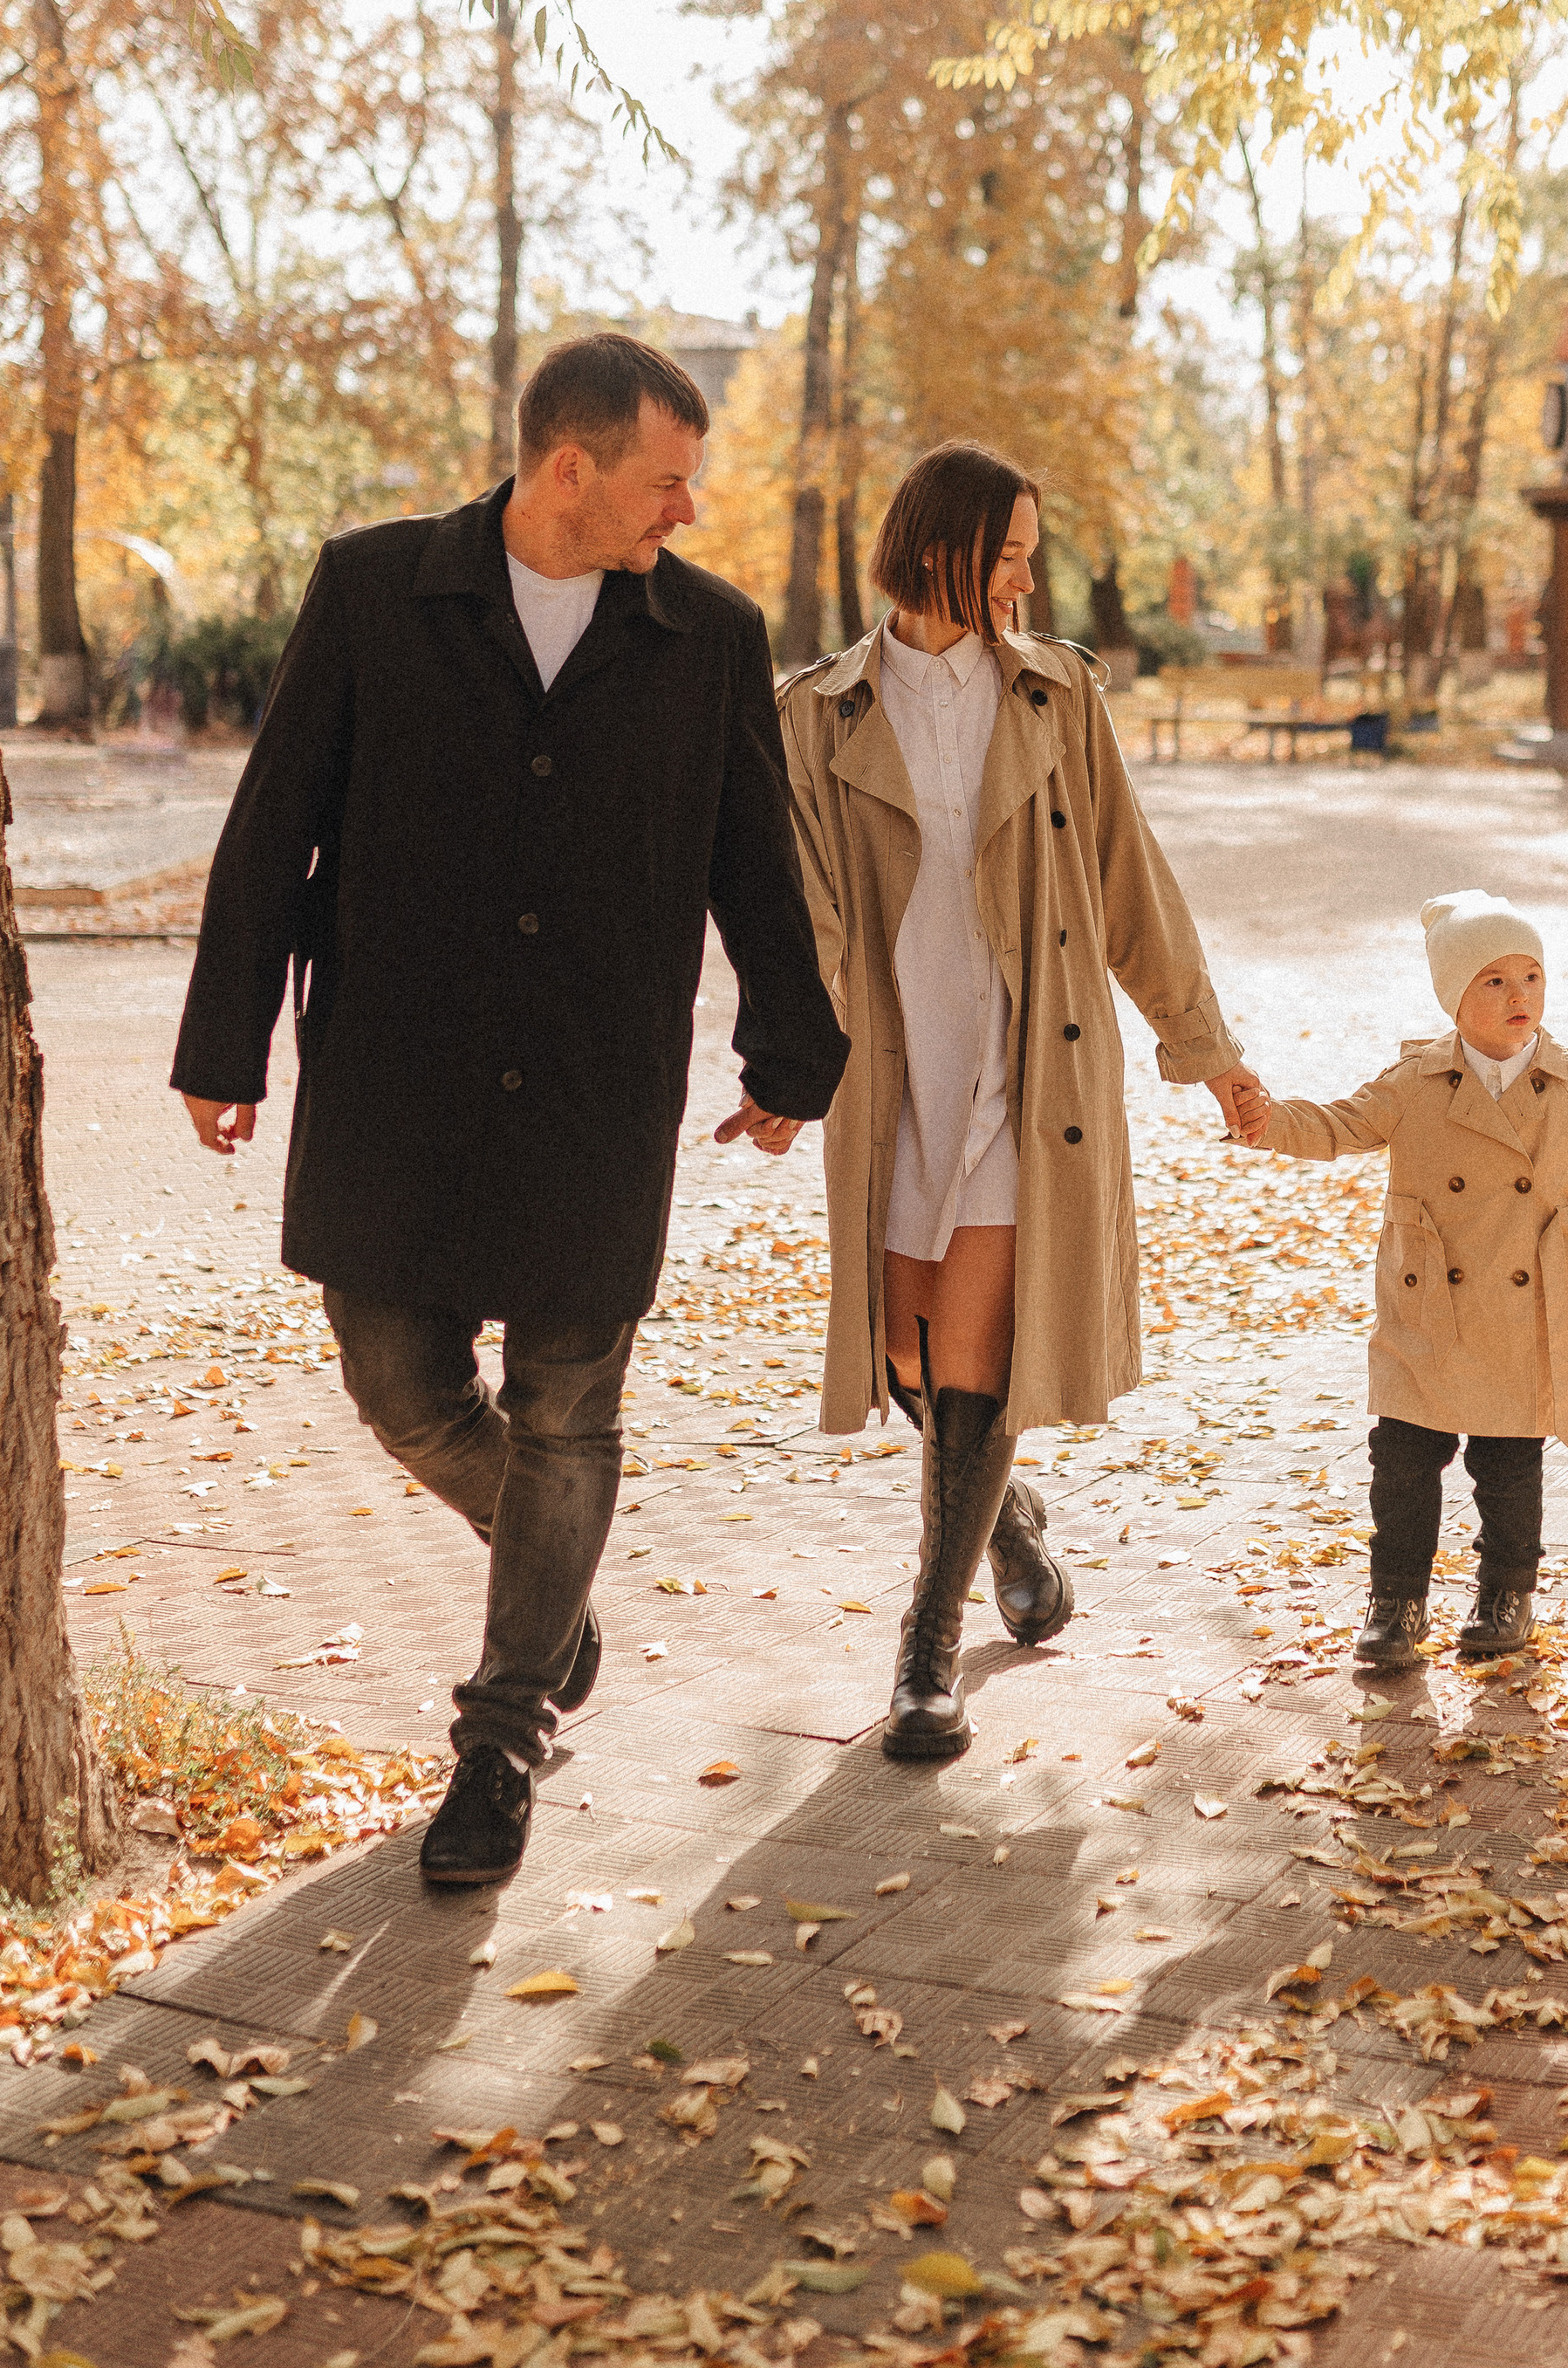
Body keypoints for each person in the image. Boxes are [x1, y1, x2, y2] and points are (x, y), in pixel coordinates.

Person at [171, 335, 848, 1885]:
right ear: (571, 469)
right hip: (399, 1081)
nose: (688, 508)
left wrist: (789, 1061)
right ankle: (554, 1587)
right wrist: (226, 1045)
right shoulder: (373, 590)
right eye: (668, 478)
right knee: (398, 1384)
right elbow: (276, 819)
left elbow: (756, 853)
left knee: (570, 1414)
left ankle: (502, 1731)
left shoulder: (711, 638)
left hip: (596, 1093)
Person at [767, 441, 1260, 1761]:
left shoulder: (1057, 695)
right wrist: (791, 1064)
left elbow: (1130, 878)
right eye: (1012, 552)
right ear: (943, 551)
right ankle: (1013, 1521)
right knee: (911, 1360)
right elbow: (803, 912)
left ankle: (926, 1656)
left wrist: (1202, 1045)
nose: (1030, 576)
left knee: (977, 1359)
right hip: (894, 1061)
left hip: (1027, 1059)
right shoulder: (816, 711)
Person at [1233, 889, 1568, 1667]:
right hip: (1426, 1305)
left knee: (1507, 1467)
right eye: (1493, 981)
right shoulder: (1415, 1083)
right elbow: (1338, 1124)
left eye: (1530, 976)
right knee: (1401, 1461)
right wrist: (1267, 1121)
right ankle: (1396, 1603)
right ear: (1454, 998)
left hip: (1522, 1312)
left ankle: (1508, 1594)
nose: (1518, 996)